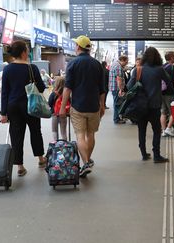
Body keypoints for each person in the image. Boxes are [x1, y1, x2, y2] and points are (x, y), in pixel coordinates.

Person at [59, 35, 106, 178]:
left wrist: (62, 108)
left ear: (78, 47)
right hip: (94, 106)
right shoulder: (97, 64)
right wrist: (102, 105)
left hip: (78, 106)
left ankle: (85, 162)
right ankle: (88, 160)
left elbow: (67, 88)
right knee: (90, 134)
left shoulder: (72, 64)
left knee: (80, 135)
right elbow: (102, 89)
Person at [1, 40, 47, 176]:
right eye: (27, 50)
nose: (28, 53)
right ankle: (40, 159)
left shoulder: (7, 69)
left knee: (16, 135)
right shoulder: (32, 68)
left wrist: (3, 113)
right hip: (31, 105)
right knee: (35, 131)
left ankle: (20, 167)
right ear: (23, 53)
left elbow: (5, 92)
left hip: (13, 106)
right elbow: (41, 87)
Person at [126, 47, 169, 163]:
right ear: (157, 57)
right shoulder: (159, 69)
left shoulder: (138, 69)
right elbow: (168, 81)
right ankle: (157, 155)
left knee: (142, 130)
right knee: (156, 130)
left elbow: (129, 86)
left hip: (140, 106)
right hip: (154, 106)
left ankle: (144, 154)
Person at [161, 51, 174, 137]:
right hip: (171, 93)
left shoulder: (162, 67)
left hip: (161, 92)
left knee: (163, 112)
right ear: (171, 57)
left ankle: (164, 131)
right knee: (173, 112)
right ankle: (168, 128)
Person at [109, 55, 128, 124]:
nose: (127, 63)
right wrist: (120, 89)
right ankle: (116, 119)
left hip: (114, 87)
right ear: (122, 60)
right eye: (126, 62)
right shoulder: (118, 66)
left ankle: (117, 118)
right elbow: (119, 79)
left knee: (116, 103)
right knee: (117, 104)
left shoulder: (114, 64)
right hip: (117, 88)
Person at [48, 76, 68, 141]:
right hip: (63, 115)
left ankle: (55, 145)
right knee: (63, 132)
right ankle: (65, 145)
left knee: (54, 131)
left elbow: (49, 104)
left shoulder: (53, 94)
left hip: (55, 115)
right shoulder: (66, 94)